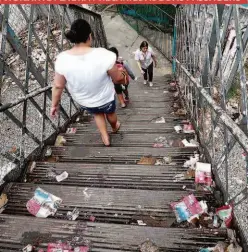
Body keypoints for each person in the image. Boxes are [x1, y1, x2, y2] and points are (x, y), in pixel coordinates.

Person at [50, 19, 127, 147]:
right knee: (110, 114)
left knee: (97, 113)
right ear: (89, 36)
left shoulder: (62, 59)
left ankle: (105, 136)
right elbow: (117, 78)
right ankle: (114, 127)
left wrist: (54, 105)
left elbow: (58, 86)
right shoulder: (104, 55)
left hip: (85, 101)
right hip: (105, 98)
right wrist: (123, 75)